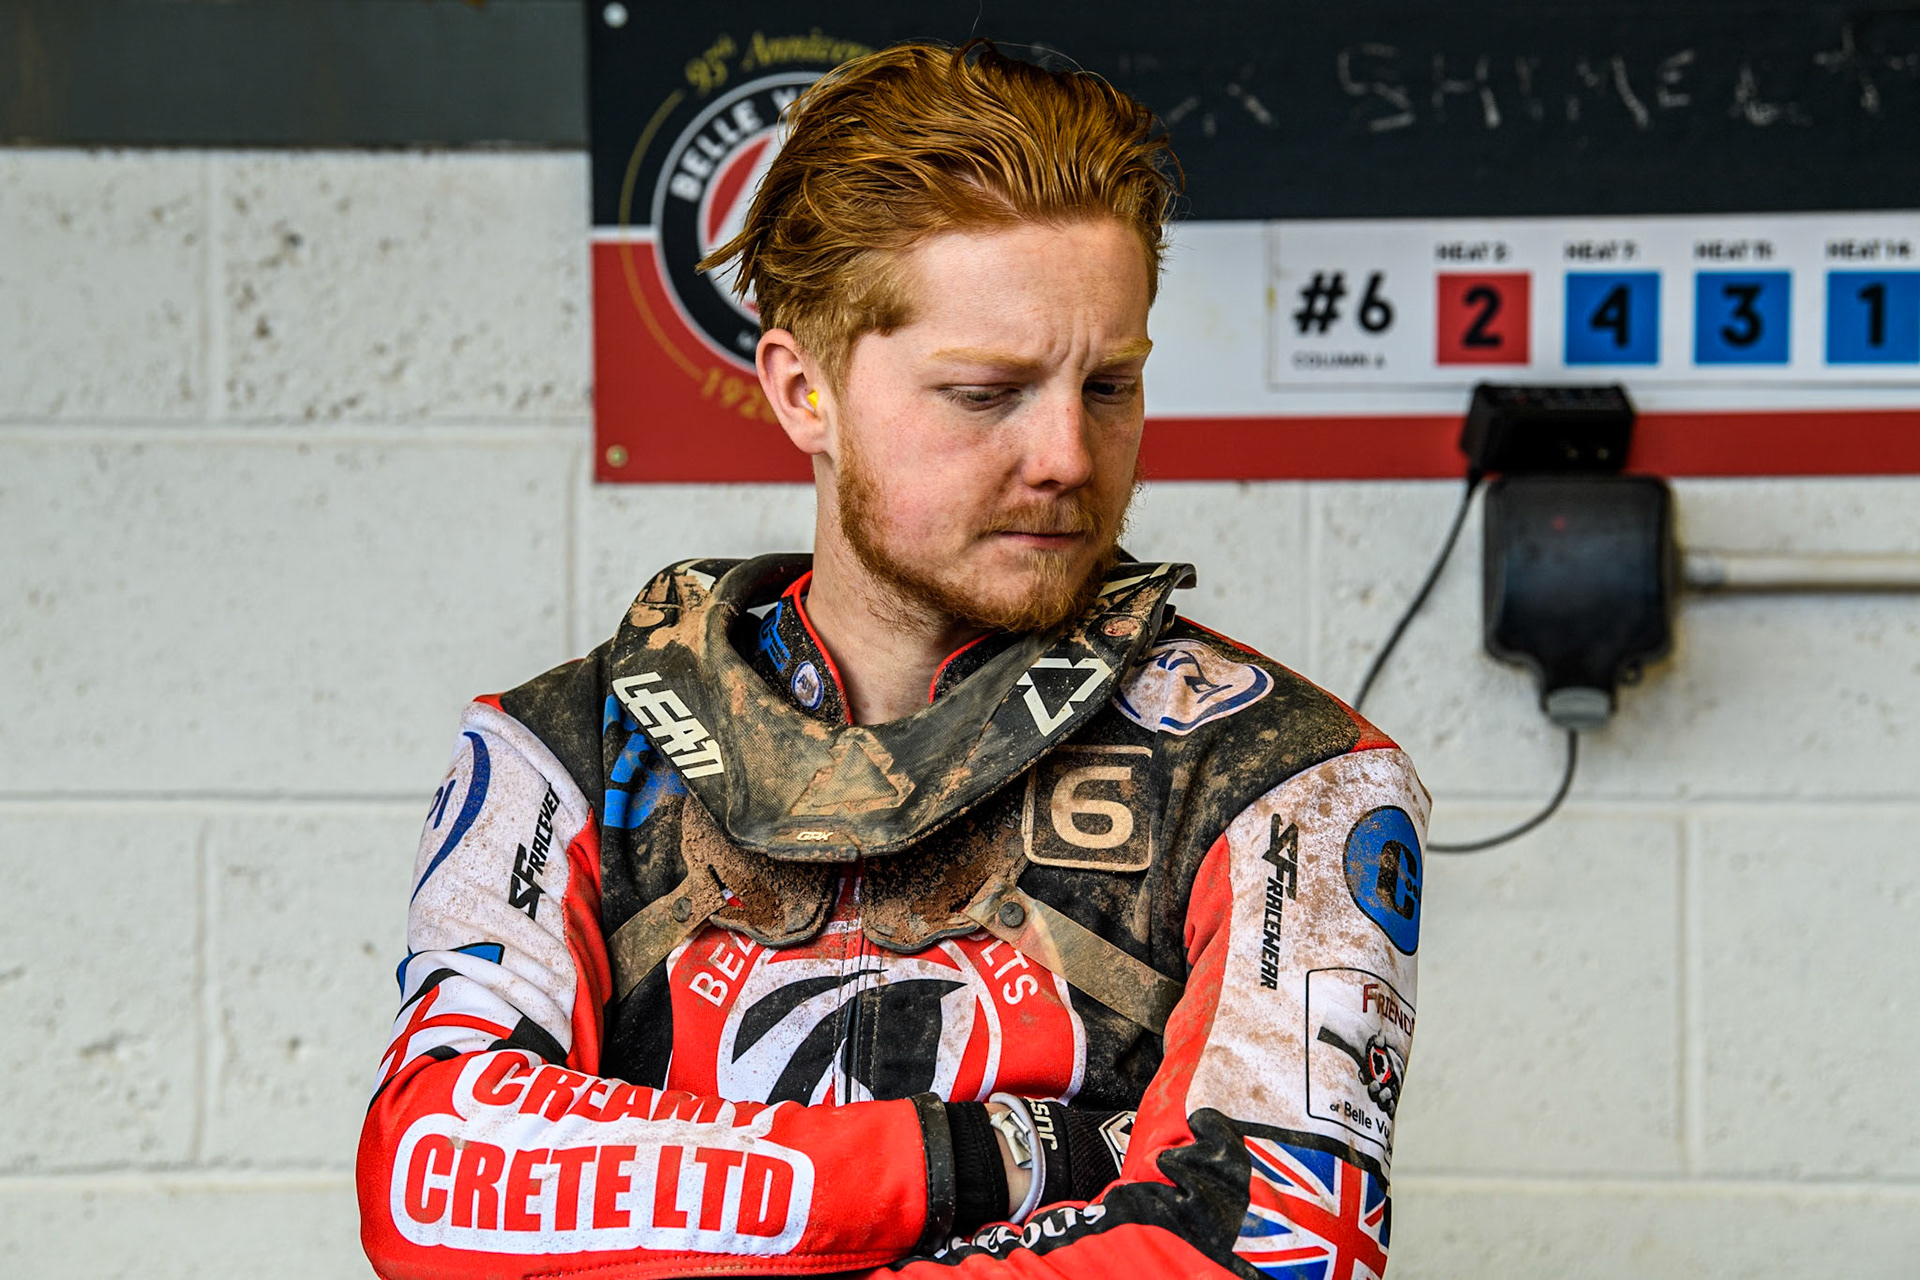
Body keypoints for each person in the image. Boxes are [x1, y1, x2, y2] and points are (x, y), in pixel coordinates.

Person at [358, 39, 1426, 1280]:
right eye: (986, 392)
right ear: (803, 389)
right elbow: (437, 1183)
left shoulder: (1292, 780)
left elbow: (1278, 1249)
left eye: (1112, 384)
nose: (1070, 456)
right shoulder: (564, 748)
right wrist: (996, 1157)